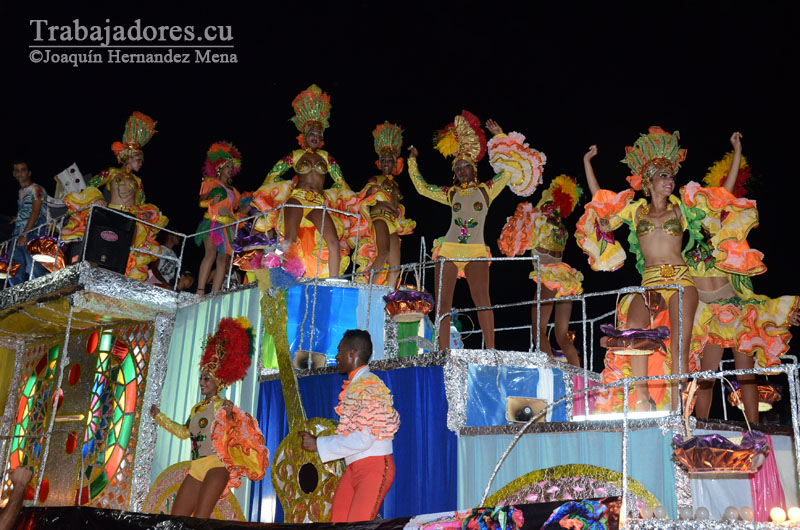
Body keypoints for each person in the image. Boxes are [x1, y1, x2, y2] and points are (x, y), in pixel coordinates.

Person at [578, 127, 761, 411]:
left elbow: (722, 195)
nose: (670, 180)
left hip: (680, 280)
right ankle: (643, 398)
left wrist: (737, 151)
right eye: (664, 176)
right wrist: (587, 163)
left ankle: (677, 406)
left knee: (680, 346)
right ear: (649, 181)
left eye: (672, 176)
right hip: (650, 282)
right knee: (633, 329)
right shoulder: (636, 211)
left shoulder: (681, 209)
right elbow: (600, 201)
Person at [408, 111, 546, 350]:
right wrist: (412, 160)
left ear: (474, 168)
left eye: (466, 166)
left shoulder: (487, 189)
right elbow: (421, 188)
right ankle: (444, 352)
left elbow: (508, 170)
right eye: (458, 167)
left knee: (483, 302)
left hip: (476, 250)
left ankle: (491, 351)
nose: (461, 170)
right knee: (442, 305)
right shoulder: (450, 193)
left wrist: (500, 137)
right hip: (449, 249)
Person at [689, 133, 800, 422]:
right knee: (706, 376)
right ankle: (700, 426)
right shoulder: (686, 231)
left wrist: (736, 151)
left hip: (734, 306)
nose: (709, 205)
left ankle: (755, 427)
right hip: (706, 313)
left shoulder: (722, 225)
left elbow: (726, 188)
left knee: (746, 373)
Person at [150, 316, 269, 518]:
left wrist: (231, 415)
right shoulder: (197, 408)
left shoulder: (223, 405)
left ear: (218, 383)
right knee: (176, 519)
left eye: (207, 379)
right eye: (201, 378)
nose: (202, 382)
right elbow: (183, 432)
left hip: (216, 467)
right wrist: (159, 417)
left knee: (200, 521)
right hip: (196, 468)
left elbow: (237, 429)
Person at [299, 329, 400, 523]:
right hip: (353, 468)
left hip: (374, 468)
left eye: (339, 350)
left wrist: (318, 443)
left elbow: (364, 438)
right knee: (338, 522)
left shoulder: (368, 384)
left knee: (356, 526)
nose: (336, 356)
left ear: (352, 353)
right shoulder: (357, 384)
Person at [253, 85, 351, 278]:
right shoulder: (295, 155)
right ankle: (271, 272)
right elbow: (272, 175)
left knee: (332, 241)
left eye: (318, 134)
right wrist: (278, 191)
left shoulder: (327, 157)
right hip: (297, 198)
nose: (315, 137)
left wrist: (340, 198)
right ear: (304, 136)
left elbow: (342, 183)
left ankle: (332, 283)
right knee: (289, 240)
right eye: (312, 134)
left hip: (317, 202)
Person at [498, 175, 584, 366]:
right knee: (562, 335)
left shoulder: (538, 226)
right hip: (566, 279)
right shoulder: (562, 230)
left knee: (538, 330)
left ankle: (551, 370)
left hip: (548, 277)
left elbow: (513, 242)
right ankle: (579, 374)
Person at [88, 112, 169, 281]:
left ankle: (118, 279)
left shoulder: (138, 181)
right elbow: (91, 185)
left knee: (123, 250)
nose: (140, 164)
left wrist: (145, 213)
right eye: (139, 160)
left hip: (129, 217)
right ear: (130, 158)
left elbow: (140, 202)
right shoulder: (111, 172)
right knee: (100, 245)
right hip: (111, 213)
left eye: (141, 161)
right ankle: (90, 276)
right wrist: (97, 199)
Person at [356, 122, 416, 286]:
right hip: (379, 218)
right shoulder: (376, 179)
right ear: (380, 163)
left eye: (390, 160)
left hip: (392, 223)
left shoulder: (396, 185)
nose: (387, 163)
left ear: (395, 163)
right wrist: (372, 191)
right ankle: (369, 290)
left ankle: (386, 299)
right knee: (383, 253)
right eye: (384, 160)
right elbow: (363, 196)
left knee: (395, 267)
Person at [195, 141, 243, 294]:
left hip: (227, 226)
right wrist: (211, 201)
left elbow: (233, 210)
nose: (230, 169)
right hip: (212, 222)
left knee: (223, 259)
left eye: (232, 167)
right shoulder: (211, 183)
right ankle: (200, 290)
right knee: (210, 253)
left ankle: (215, 293)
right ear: (219, 168)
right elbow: (201, 202)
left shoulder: (235, 191)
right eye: (227, 166)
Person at [8, 161, 48, 286]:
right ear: (14, 174)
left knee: (34, 266)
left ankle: (38, 295)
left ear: (29, 172)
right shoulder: (21, 192)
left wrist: (25, 233)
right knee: (14, 268)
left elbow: (36, 212)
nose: (20, 173)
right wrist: (18, 218)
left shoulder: (36, 189)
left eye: (23, 170)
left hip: (32, 232)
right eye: (17, 170)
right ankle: (16, 298)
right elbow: (27, 210)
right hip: (18, 233)